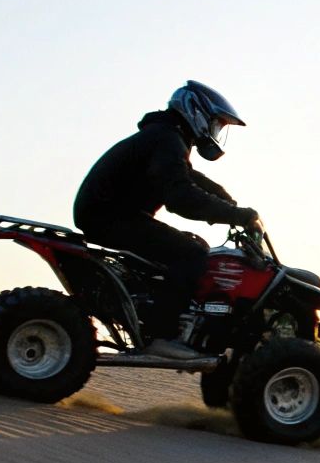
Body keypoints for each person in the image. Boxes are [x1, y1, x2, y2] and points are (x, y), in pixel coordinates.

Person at [74, 80, 259, 359]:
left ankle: (149, 313)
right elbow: (180, 196)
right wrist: (238, 215)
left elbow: (186, 177)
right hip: (112, 216)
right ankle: (162, 335)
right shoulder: (167, 139)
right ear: (196, 112)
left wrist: (225, 200)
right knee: (192, 254)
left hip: (108, 214)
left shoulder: (165, 137)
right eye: (216, 124)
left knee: (185, 245)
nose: (215, 132)